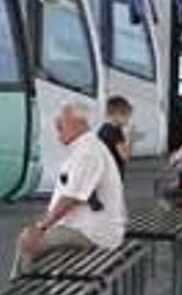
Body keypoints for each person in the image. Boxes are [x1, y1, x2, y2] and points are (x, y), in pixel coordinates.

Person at [15, 101, 128, 275]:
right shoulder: (86, 148)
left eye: (63, 120)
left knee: (28, 240)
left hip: (93, 232)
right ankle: (30, 287)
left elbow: (71, 198)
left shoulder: (88, 152)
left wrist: (41, 227)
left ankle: (25, 291)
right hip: (85, 227)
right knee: (32, 238)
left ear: (80, 124)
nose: (57, 123)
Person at [98, 95, 133, 177]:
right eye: (127, 116)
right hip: (111, 176)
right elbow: (125, 157)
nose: (128, 119)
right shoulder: (113, 132)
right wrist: (131, 139)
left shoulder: (104, 128)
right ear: (116, 115)